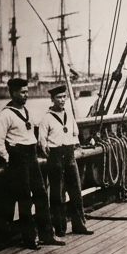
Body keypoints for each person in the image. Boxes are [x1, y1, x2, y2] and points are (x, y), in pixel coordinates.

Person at [0, 78, 58, 250]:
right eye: (22, 92)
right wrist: (8, 158)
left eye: (27, 91)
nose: (26, 95)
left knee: (41, 195)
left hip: (32, 156)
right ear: (13, 93)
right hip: (18, 158)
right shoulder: (6, 114)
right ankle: (29, 239)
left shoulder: (27, 111)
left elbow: (30, 130)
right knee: (25, 199)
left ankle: (47, 235)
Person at [34, 85, 90, 237]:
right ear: (52, 99)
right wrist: (50, 153)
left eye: (64, 97)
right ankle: (60, 228)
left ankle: (79, 225)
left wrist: (75, 147)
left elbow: (75, 133)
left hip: (69, 156)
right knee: (57, 195)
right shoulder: (46, 118)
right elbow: (42, 141)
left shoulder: (69, 115)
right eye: (58, 97)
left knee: (76, 192)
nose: (62, 100)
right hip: (56, 156)